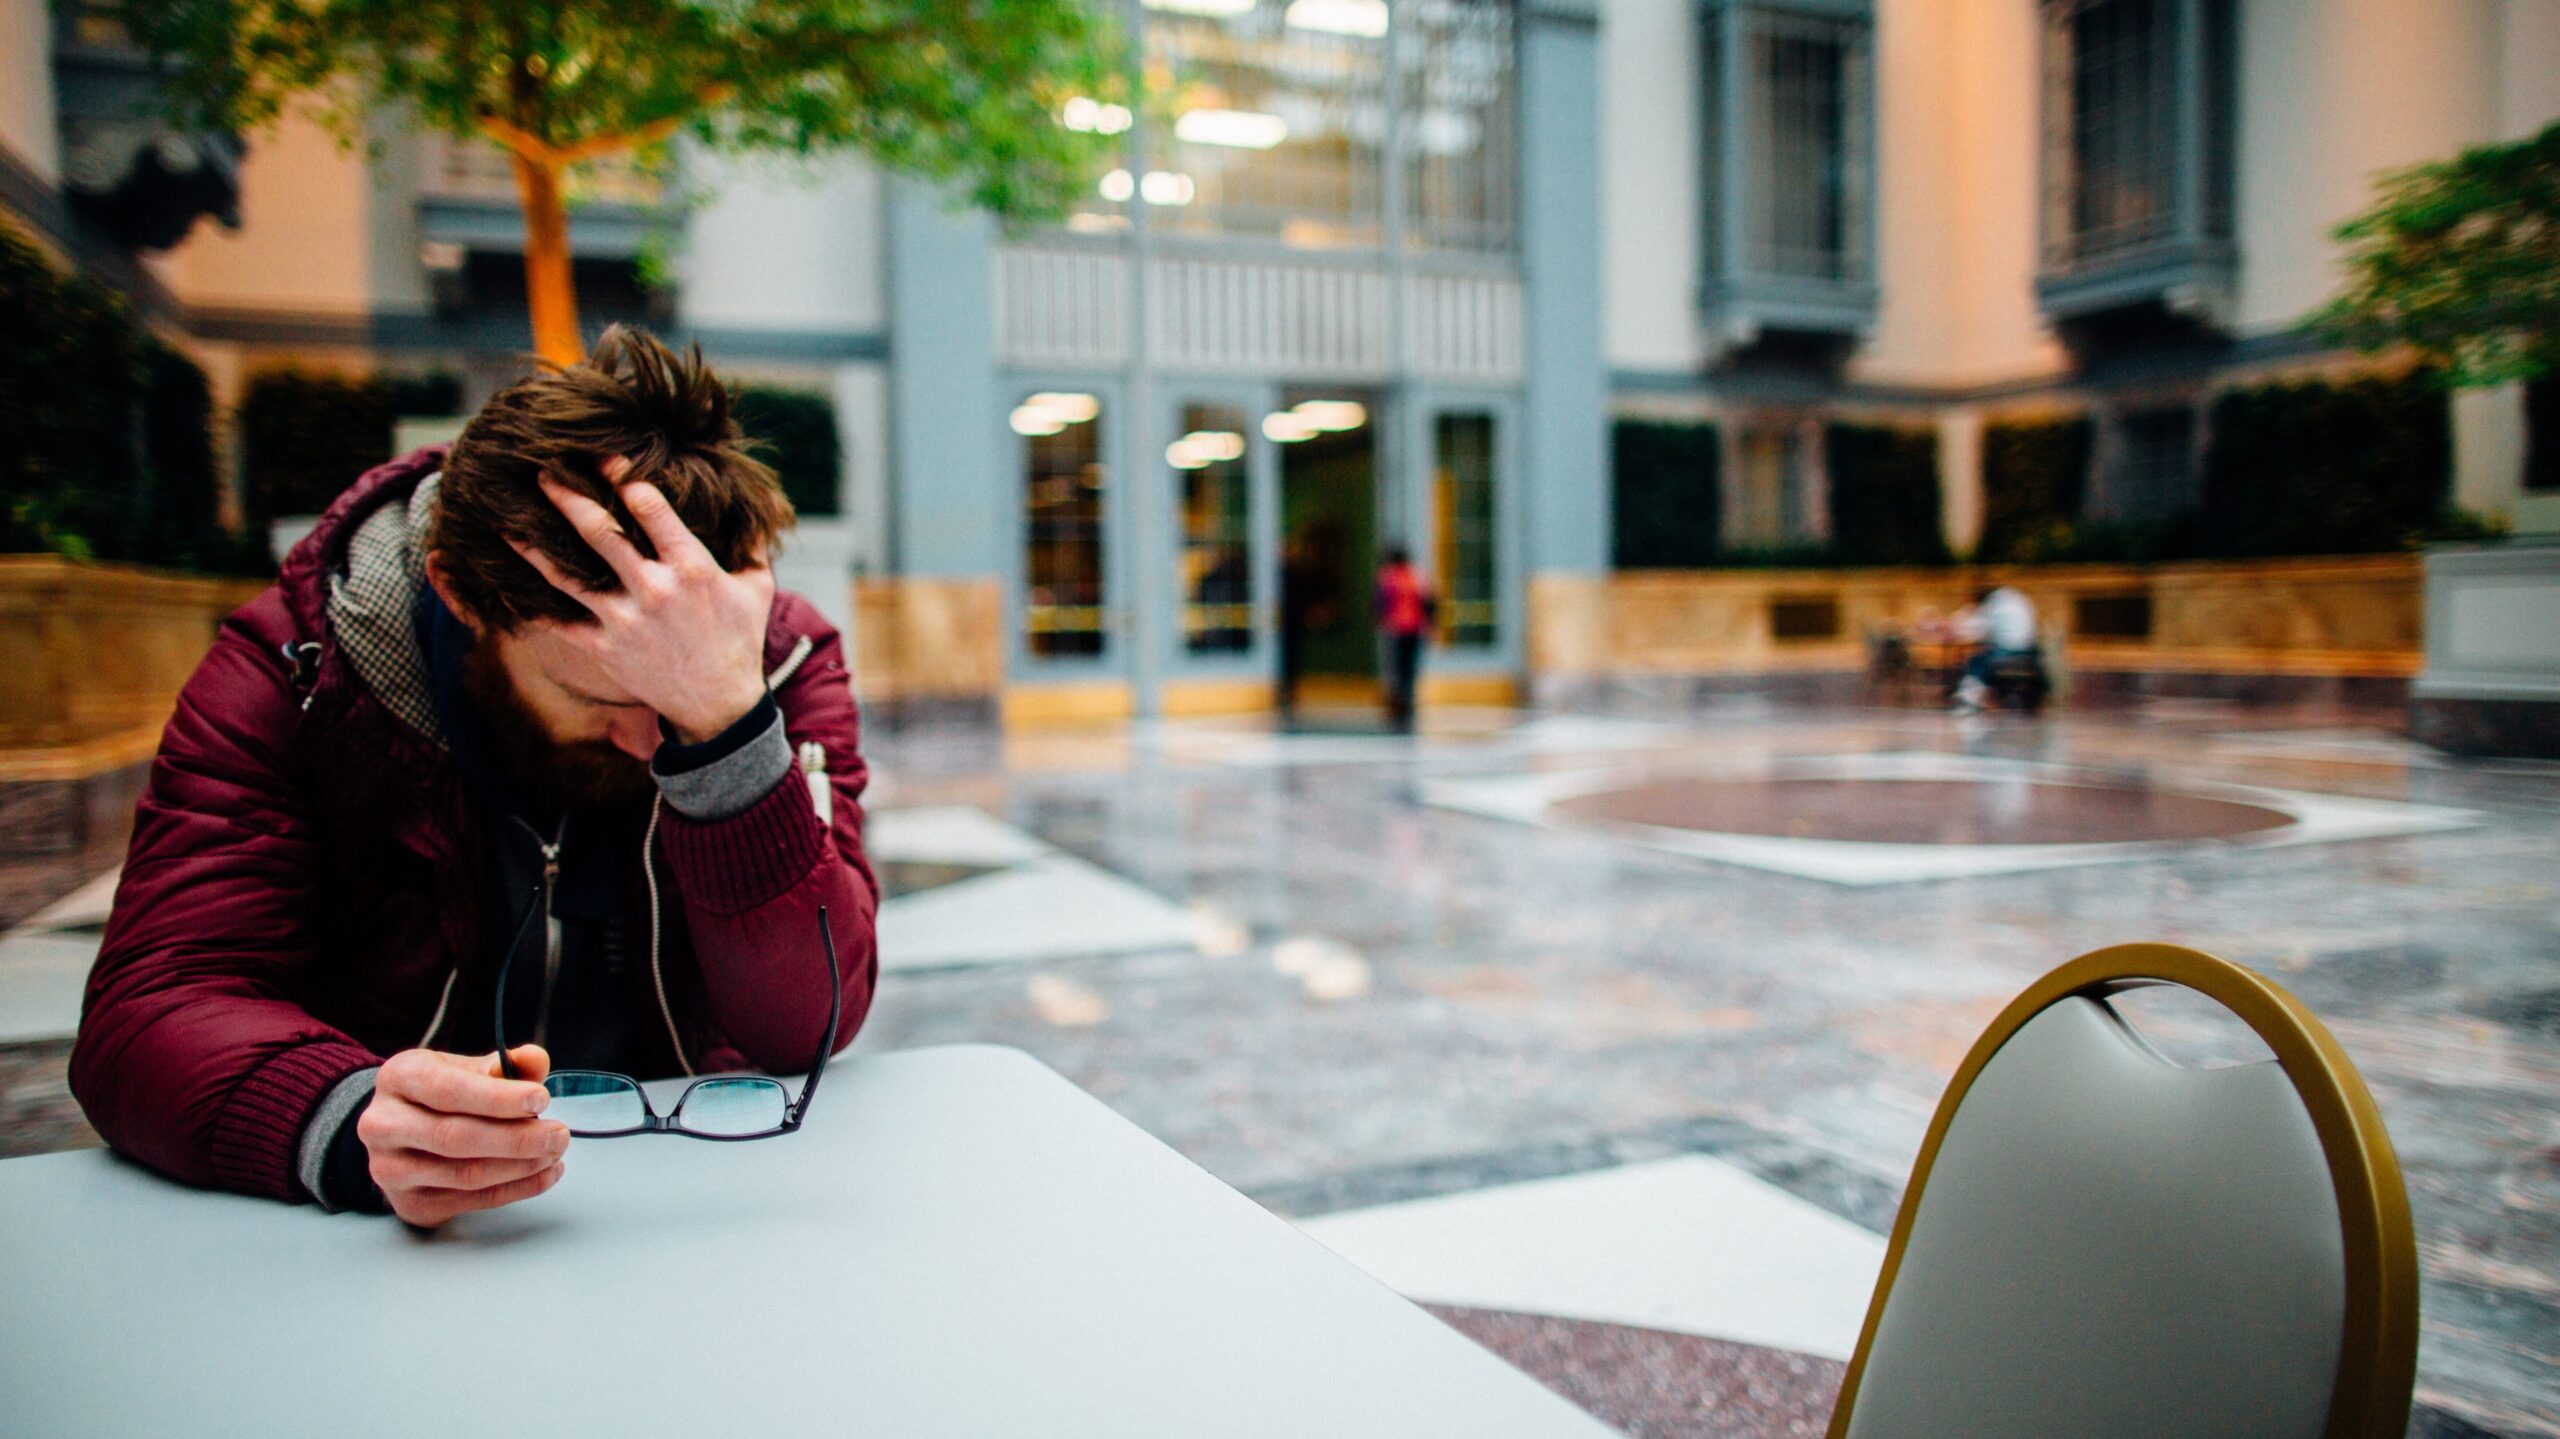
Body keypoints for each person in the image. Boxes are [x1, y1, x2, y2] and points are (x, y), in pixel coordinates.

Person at [70, 326, 879, 1228]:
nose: (652, 740)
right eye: (597, 690)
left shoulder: (775, 660)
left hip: (696, 1204)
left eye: (680, 691)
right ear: (458, 592)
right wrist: (345, 1117)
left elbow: (806, 1023)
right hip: (396, 1251)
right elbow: (150, 1011)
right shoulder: (296, 670)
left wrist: (730, 729)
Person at [1951, 583, 2044, 713]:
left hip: (2006, 652)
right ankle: (1990, 696)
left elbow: (1980, 631)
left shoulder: (1994, 603)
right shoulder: (2018, 598)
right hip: (2028, 653)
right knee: (1986, 658)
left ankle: (1970, 697)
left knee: (1977, 661)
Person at [1373, 545, 1437, 733]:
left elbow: (1380, 602)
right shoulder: (1417, 576)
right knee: (1409, 666)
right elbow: (1429, 602)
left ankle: (1397, 702)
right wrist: (1431, 624)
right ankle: (1407, 700)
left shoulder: (1388, 576)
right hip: (1415, 627)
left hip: (1395, 627)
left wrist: (1380, 619)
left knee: (1396, 666)